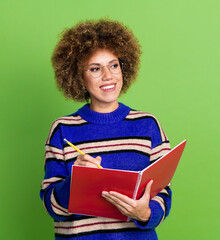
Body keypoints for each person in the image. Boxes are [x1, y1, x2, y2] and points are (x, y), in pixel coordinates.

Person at [40, 19, 172, 240]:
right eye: (95, 69)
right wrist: (76, 181)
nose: (108, 76)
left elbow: (163, 193)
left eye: (113, 65)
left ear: (124, 67)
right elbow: (51, 206)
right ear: (78, 77)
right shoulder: (62, 129)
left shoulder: (148, 125)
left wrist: (145, 213)